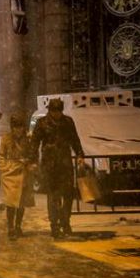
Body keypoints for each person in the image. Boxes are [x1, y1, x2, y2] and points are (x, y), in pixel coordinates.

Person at [31, 98, 84, 239]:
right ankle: (54, 226)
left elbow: (75, 139)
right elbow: (34, 143)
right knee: (53, 196)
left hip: (65, 163)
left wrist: (80, 154)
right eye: (54, 111)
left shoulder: (68, 122)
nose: (57, 114)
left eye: (59, 111)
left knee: (68, 195)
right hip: (50, 165)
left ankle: (65, 223)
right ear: (50, 111)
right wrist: (33, 160)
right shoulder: (42, 123)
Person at [0, 111, 35, 240]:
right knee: (11, 203)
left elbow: (32, 154)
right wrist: (5, 168)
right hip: (11, 175)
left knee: (21, 203)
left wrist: (30, 163)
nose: (18, 130)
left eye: (20, 127)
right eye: (16, 127)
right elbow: (1, 155)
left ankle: (18, 226)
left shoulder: (27, 139)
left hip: (24, 173)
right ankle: (11, 228)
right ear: (12, 128)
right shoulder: (6, 138)